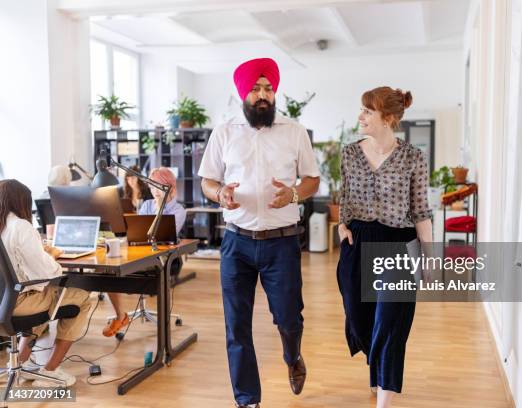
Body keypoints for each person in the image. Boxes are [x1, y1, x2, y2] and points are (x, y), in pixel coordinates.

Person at [199, 57, 320, 408]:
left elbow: (312, 179)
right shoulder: (224, 133)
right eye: (255, 89)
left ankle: (292, 355)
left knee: (289, 316)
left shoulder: (294, 132)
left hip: (281, 242)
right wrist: (219, 193)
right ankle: (247, 400)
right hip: (236, 241)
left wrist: (295, 193)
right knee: (237, 326)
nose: (263, 95)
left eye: (268, 88)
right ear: (243, 93)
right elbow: (208, 180)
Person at [336, 87, 433, 408]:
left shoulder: (413, 158)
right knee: (360, 319)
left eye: (367, 111)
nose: (360, 116)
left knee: (391, 323)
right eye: (361, 110)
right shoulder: (349, 153)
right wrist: (340, 227)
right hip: (358, 242)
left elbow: (421, 210)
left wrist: (429, 257)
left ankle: (385, 398)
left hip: (398, 243)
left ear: (388, 118)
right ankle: (376, 369)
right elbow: (345, 200)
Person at [0, 179, 92, 387]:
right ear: (20, 202)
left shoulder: (4, 227)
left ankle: (20, 363)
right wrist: (52, 255)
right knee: (82, 298)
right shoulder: (20, 227)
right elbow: (49, 272)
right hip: (18, 304)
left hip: (3, 304)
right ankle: (51, 370)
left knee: (47, 297)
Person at [103, 167, 186, 337]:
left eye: (159, 186)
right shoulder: (147, 205)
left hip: (162, 259)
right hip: (141, 254)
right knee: (108, 270)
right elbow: (138, 232)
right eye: (152, 186)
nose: (154, 191)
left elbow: (163, 236)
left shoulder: (178, 210)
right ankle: (120, 315)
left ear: (169, 187)